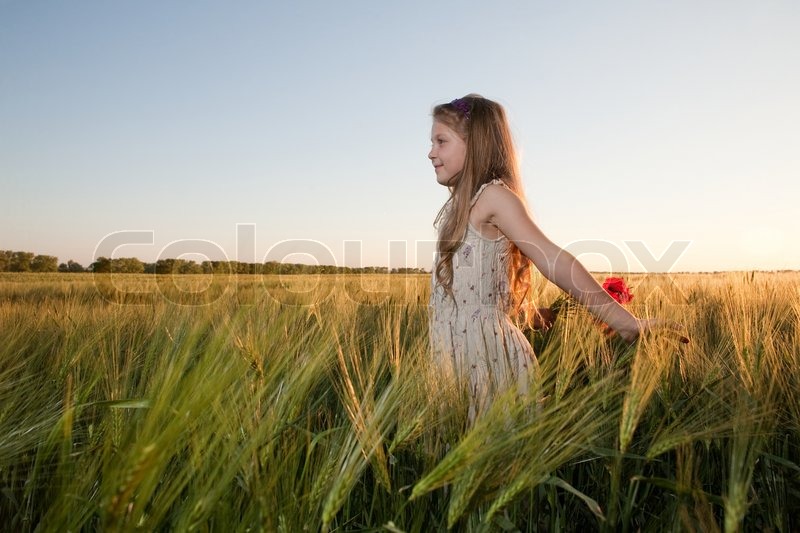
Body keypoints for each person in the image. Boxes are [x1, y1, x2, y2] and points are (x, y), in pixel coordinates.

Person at [428, 94, 675, 422]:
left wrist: (624, 323)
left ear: (475, 144)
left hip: (485, 365)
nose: (431, 152)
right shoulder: (461, 206)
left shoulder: (495, 197)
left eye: (441, 141)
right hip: (454, 363)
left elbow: (553, 260)